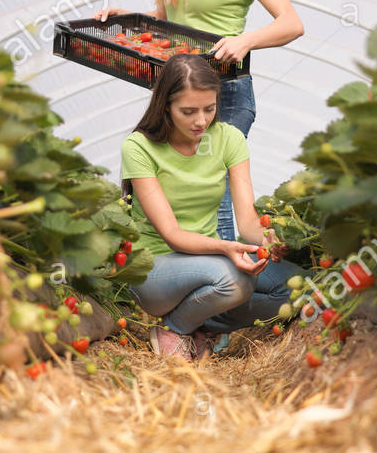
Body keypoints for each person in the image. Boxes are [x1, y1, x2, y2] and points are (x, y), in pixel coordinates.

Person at [95, 0, 304, 241]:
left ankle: (227, 290)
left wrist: (245, 40)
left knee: (215, 196)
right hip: (180, 91)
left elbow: (291, 22)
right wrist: (126, 17)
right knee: (183, 194)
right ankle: (204, 286)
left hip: (225, 95)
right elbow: (169, 20)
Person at [119, 54, 301, 359]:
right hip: (154, 269)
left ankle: (204, 324)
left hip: (211, 261)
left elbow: (246, 222)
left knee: (300, 287)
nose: (201, 121)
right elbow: (172, 234)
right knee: (235, 279)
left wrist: (268, 240)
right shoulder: (139, 147)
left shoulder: (229, 139)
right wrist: (226, 248)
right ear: (165, 106)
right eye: (188, 112)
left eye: (209, 109)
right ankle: (173, 329)